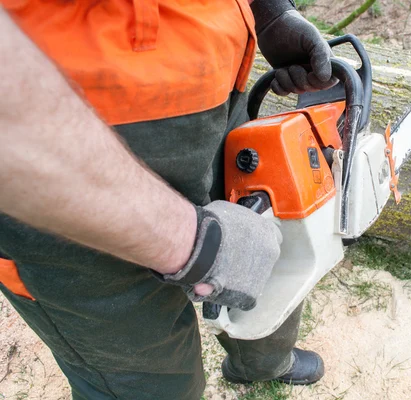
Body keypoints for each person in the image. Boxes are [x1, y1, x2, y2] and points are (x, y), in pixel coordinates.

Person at [0, 0, 338, 398]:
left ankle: (263, 362)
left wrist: (268, 11)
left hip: (217, 74)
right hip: (62, 140)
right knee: (148, 381)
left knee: (267, 251)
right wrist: (191, 242)